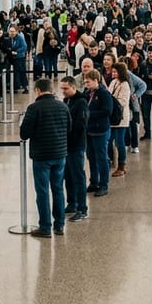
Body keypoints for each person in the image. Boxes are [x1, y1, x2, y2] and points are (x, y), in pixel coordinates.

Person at [19, 79, 70, 238]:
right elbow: (69, 127)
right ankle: (60, 225)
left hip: (41, 156)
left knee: (42, 192)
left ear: (38, 90)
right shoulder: (63, 106)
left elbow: (24, 133)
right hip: (60, 154)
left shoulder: (34, 108)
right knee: (58, 189)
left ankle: (45, 227)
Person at [60, 76, 89, 222]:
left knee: (78, 176)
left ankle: (82, 208)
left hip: (76, 146)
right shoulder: (67, 100)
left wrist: (70, 138)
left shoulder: (81, 102)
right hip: (66, 146)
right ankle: (72, 202)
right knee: (68, 176)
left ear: (73, 87)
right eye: (62, 89)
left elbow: (80, 126)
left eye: (65, 88)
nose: (63, 91)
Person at [83, 70, 114, 197]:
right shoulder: (87, 93)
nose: (86, 84)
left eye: (88, 82)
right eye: (85, 82)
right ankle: (94, 182)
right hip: (89, 130)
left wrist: (89, 114)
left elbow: (107, 111)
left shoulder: (104, 94)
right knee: (91, 158)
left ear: (96, 80)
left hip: (100, 130)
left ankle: (103, 184)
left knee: (102, 158)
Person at [108, 63, 132, 178]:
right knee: (108, 140)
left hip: (120, 118)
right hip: (112, 117)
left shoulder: (125, 85)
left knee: (119, 142)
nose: (113, 74)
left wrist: (111, 102)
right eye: (112, 72)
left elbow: (122, 101)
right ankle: (110, 160)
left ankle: (121, 166)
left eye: (115, 72)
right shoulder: (113, 82)